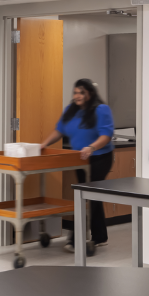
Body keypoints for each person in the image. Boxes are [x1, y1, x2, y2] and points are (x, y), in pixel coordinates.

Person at [39, 78, 115, 252]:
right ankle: (100, 236)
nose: (77, 96)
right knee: (90, 196)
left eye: (81, 92)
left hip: (99, 158)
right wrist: (44, 144)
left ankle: (76, 239)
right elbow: (59, 130)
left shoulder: (101, 109)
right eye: (75, 92)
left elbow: (106, 135)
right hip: (80, 159)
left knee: (86, 196)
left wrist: (92, 147)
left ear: (90, 94)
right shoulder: (71, 110)